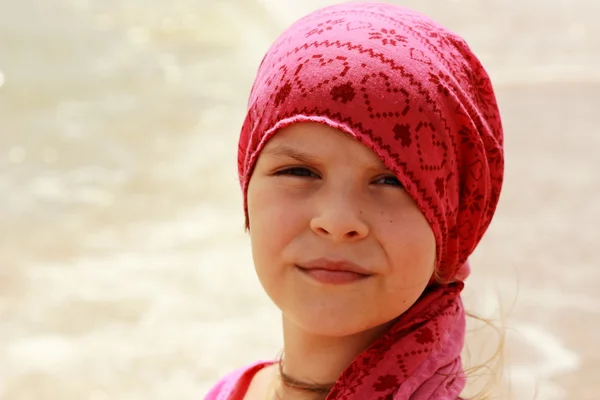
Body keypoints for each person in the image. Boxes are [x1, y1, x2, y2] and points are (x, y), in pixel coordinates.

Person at [205, 1, 504, 399]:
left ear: (451, 224)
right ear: (247, 192)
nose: (337, 219)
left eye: (392, 180)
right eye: (299, 172)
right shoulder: (232, 390)